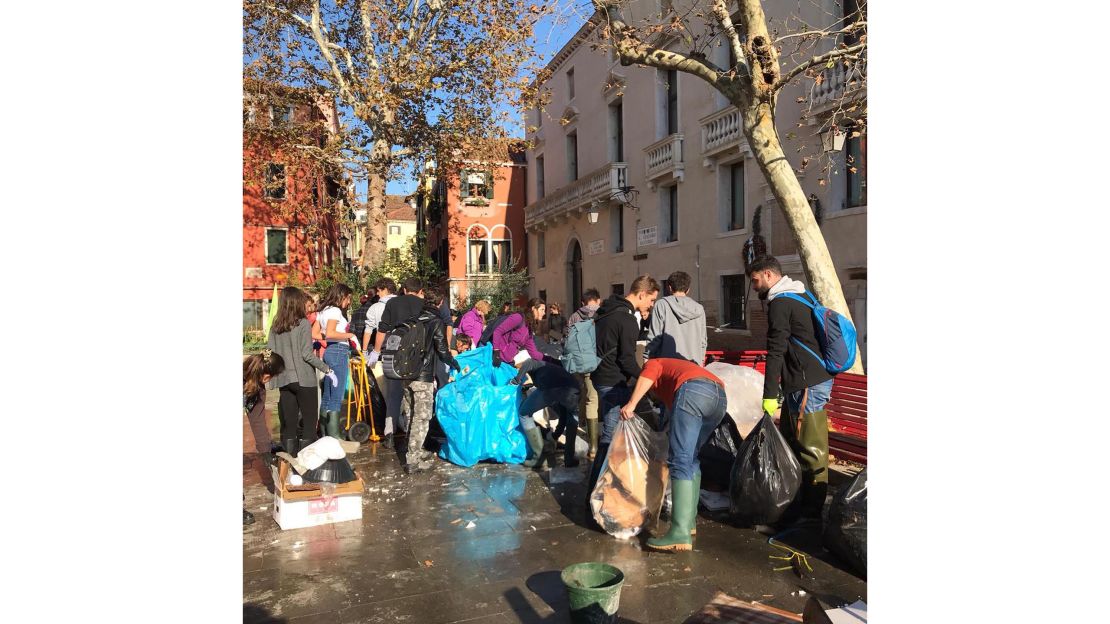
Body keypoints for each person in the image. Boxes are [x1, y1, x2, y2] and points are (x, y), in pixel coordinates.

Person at [748, 255, 835, 525]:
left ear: (768, 275)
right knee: (791, 439)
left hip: (806, 381)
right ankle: (795, 502)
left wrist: (769, 395)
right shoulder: (801, 295)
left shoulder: (781, 303)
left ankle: (811, 514)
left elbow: (775, 351)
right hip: (808, 379)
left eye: (755, 280)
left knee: (811, 445)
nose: (754, 286)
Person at [619, 357, 727, 551]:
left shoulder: (655, 362)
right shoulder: (679, 372)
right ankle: (689, 522)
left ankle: (679, 531)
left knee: (680, 460)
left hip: (693, 391)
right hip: (718, 396)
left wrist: (631, 403)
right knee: (691, 458)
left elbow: (648, 373)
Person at [586, 275, 661, 497]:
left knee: (612, 437)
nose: (651, 305)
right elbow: (627, 360)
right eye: (651, 300)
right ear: (641, 294)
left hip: (600, 377)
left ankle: (606, 487)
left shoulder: (606, 311)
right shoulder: (627, 319)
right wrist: (646, 378)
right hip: (613, 382)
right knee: (609, 439)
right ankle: (594, 493)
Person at [267, 287, 336, 456]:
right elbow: (306, 354)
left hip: (284, 379)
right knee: (309, 423)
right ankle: (307, 464)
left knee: (289, 425)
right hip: (304, 379)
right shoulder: (302, 322)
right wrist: (327, 369)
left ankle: (290, 464)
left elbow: (270, 352)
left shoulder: (276, 324)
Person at [403, 285, 460, 474]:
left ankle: (415, 452)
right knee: (422, 418)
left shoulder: (410, 318)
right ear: (440, 303)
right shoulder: (435, 321)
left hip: (405, 375)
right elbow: (442, 350)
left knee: (411, 416)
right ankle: (413, 461)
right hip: (423, 376)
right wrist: (454, 363)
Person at [371, 277, 428, 451]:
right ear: (419, 291)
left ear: (403, 289)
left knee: (394, 394)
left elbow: (382, 329)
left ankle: (389, 434)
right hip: (418, 351)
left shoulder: (393, 304)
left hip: (395, 350)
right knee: (415, 395)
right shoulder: (424, 305)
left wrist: (377, 351)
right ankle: (414, 436)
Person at [243, 349, 286, 525]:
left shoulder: (258, 390)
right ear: (266, 375)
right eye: (273, 377)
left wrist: (266, 450)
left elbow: (258, 421)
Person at [512, 360, 581, 468]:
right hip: (573, 389)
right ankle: (569, 459)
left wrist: (516, 380)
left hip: (550, 388)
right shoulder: (553, 368)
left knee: (524, 413)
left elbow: (528, 363)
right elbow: (562, 416)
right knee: (571, 419)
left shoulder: (538, 364)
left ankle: (538, 458)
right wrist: (555, 436)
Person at [317, 284, 358, 439]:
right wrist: (350, 336)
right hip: (339, 352)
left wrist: (329, 336)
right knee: (337, 395)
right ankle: (335, 436)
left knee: (327, 394)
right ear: (342, 296)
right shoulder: (334, 311)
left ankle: (324, 433)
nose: (348, 302)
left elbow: (316, 333)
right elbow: (331, 332)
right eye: (348, 298)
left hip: (329, 352)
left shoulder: (323, 311)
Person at [567, 289, 603, 459]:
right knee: (592, 399)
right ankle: (594, 445)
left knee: (584, 393)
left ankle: (582, 425)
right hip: (593, 362)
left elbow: (567, 339)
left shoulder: (574, 316)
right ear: (598, 300)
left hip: (577, 364)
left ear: (583, 302)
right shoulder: (600, 314)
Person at [363, 278, 399, 447]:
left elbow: (371, 331)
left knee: (389, 393)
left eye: (378, 290)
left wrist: (367, 352)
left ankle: (390, 432)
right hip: (407, 352)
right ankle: (405, 426)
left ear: (384, 289)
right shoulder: (404, 304)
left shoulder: (376, 308)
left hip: (386, 352)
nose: (376, 294)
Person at [644, 271, 707, 364]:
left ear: (669, 287)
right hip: (693, 365)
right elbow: (703, 340)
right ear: (688, 289)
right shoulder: (699, 308)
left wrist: (647, 358)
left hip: (667, 365)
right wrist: (701, 360)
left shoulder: (661, 305)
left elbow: (654, 337)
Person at [492, 298, 547, 366]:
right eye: (542, 310)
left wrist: (551, 360)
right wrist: (496, 352)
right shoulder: (518, 318)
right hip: (497, 359)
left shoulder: (528, 328)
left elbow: (533, 353)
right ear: (533, 308)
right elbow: (498, 331)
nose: (544, 313)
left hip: (507, 362)